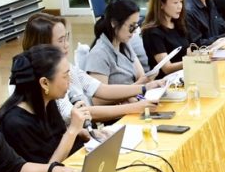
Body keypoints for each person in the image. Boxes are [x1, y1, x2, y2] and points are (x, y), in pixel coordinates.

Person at [21, 13, 160, 123]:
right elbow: (73, 115)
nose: (67, 44)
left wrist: (144, 88)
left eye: (66, 38)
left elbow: (101, 89)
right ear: (43, 46)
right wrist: (133, 107)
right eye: (60, 40)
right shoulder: (44, 81)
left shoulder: (68, 67)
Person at [0, 46, 90, 164]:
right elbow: (48, 169)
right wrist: (72, 130)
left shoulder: (47, 101)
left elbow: (57, 139)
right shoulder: (14, 124)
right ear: (45, 83)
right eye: (65, 76)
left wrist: (80, 133)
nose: (70, 81)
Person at [85, 0, 148, 86]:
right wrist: (139, 87)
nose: (134, 31)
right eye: (131, 26)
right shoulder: (98, 55)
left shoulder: (124, 44)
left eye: (136, 26)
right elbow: (100, 94)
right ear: (114, 23)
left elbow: (141, 76)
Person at [141, 0, 190, 75]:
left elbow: (189, 50)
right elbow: (167, 68)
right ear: (161, 4)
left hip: (186, 73)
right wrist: (193, 61)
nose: (180, 6)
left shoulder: (179, 23)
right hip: (167, 80)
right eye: (175, 2)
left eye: (181, 1)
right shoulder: (152, 32)